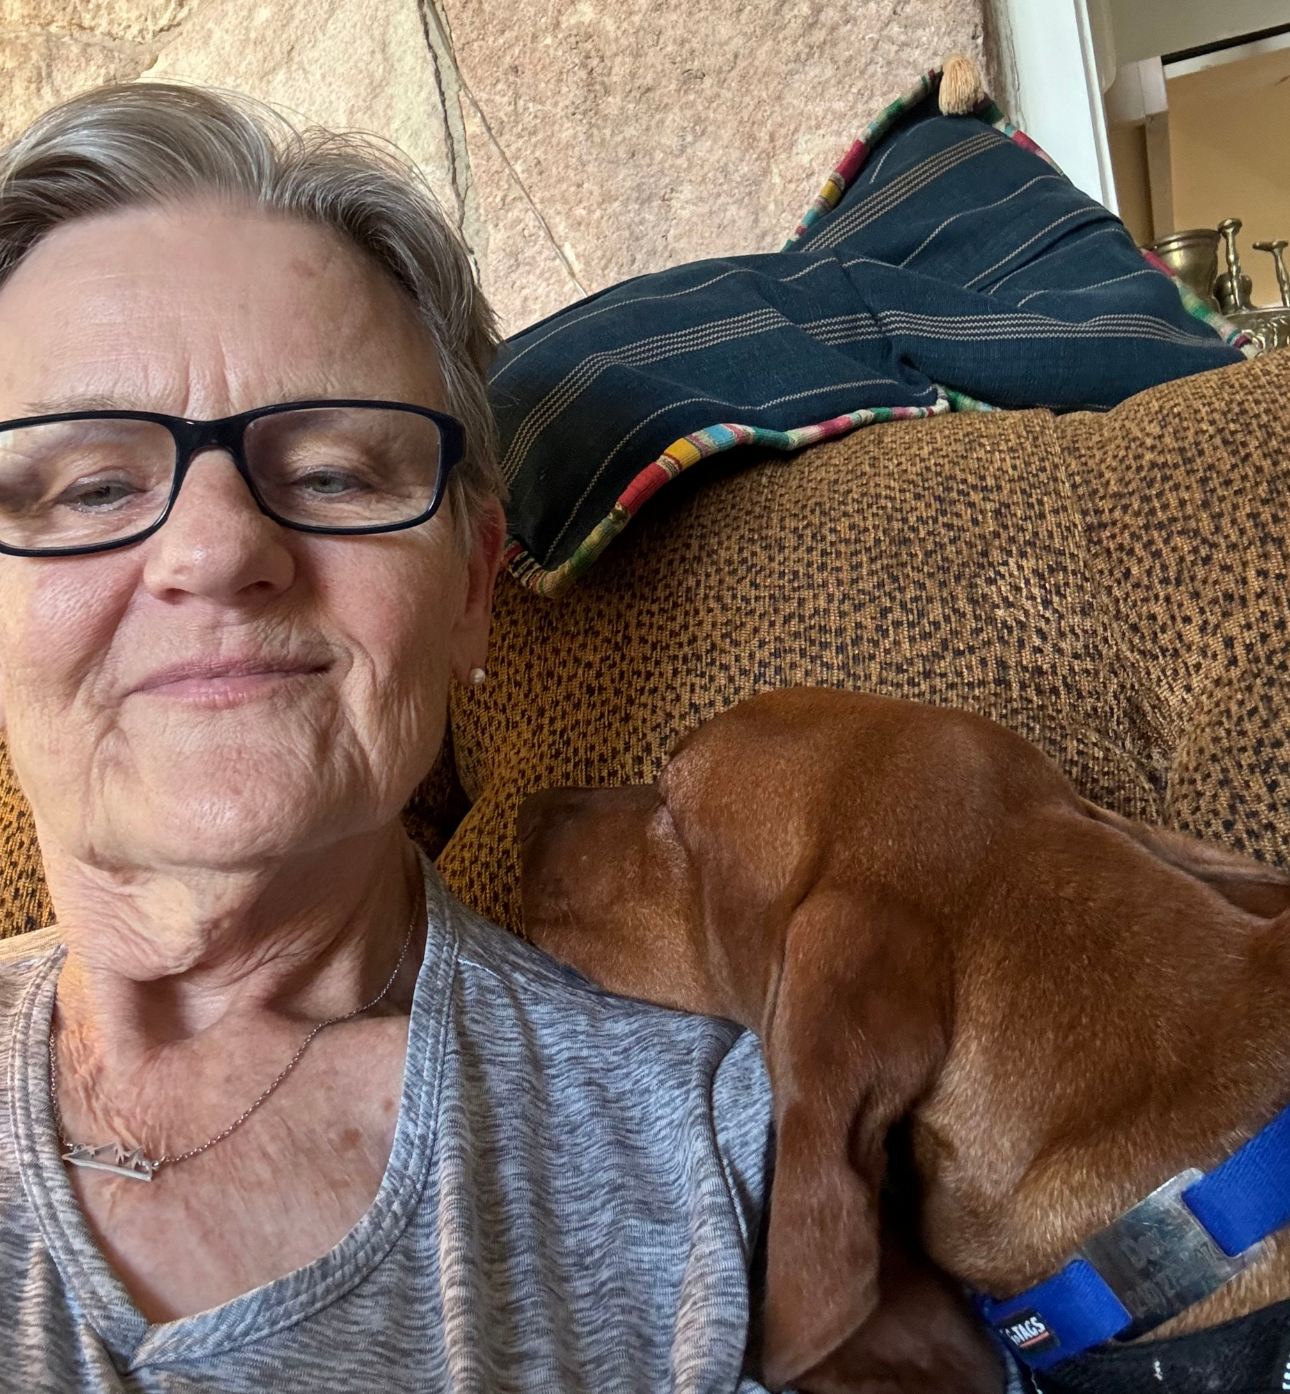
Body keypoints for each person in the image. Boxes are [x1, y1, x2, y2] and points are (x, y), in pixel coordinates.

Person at [0, 81, 775, 1391]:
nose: (217, 548)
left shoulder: (718, 1160)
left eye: (332, 474)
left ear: (471, 586)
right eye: (92, 485)